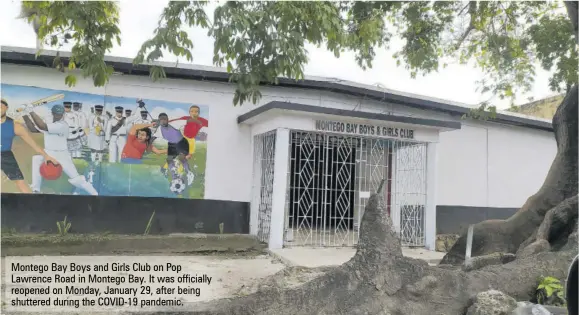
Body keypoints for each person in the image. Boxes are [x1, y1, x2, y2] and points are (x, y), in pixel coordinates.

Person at [22, 104, 98, 195]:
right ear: (52, 113)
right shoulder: (50, 123)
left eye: (60, 114)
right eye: (56, 114)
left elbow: (42, 126)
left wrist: (31, 111)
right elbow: (33, 129)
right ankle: (35, 189)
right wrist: (25, 114)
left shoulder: (63, 125)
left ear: (63, 114)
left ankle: (94, 193)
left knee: (76, 178)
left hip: (61, 155)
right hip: (48, 152)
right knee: (37, 159)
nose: (58, 116)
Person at [1, 98, 58, 193]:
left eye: (0, 107)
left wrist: (46, 156)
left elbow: (33, 144)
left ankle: (32, 205)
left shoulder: (15, 126)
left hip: (5, 155)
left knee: (20, 183)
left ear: (6, 108)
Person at [153, 113, 191, 177]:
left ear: (167, 119)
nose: (163, 121)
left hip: (181, 143)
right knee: (169, 160)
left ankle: (189, 173)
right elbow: (153, 138)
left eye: (164, 119)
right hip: (172, 145)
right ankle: (175, 176)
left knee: (181, 158)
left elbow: (188, 121)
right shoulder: (159, 130)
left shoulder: (174, 124)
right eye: (161, 120)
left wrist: (197, 121)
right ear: (159, 121)